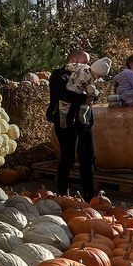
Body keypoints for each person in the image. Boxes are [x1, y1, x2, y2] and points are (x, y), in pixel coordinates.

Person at [47, 48, 97, 201]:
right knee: (68, 157)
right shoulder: (59, 75)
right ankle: (63, 193)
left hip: (84, 121)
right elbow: (63, 94)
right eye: (85, 61)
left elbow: (93, 92)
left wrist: (94, 96)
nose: (87, 65)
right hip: (66, 122)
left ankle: (89, 194)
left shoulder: (87, 74)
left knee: (89, 156)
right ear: (74, 60)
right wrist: (85, 99)